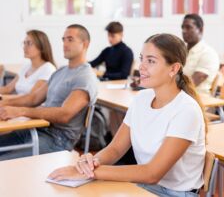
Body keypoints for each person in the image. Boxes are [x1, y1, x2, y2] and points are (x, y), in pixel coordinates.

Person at [48, 33, 207, 196]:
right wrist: (91, 163)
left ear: (174, 68)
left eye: (151, 61)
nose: (141, 67)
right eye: (142, 59)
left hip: (174, 193)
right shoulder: (142, 98)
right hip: (143, 186)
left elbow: (152, 174)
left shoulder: (186, 110)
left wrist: (88, 172)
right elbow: (116, 149)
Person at [0, 24, 98, 160]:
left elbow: (65, 114)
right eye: (63, 39)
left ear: (85, 44)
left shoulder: (85, 77)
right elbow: (33, 98)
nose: (64, 44)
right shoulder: (60, 71)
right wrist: (5, 103)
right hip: (37, 130)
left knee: (3, 162)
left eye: (70, 39)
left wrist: (21, 111)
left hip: (58, 140)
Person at [0, 30, 56, 95]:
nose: (24, 47)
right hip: (16, 104)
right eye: (24, 43)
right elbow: (7, 89)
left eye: (29, 43)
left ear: (41, 47)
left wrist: (4, 100)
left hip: (29, 105)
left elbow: (30, 98)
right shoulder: (25, 67)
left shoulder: (48, 69)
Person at [181, 14, 220, 93]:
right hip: (179, 95)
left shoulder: (208, 54)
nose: (184, 31)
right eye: (183, 27)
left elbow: (191, 84)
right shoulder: (182, 51)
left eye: (188, 27)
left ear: (201, 30)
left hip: (196, 99)